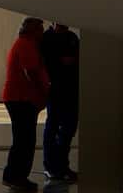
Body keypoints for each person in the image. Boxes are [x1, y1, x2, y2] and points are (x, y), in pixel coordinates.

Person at [2, 18, 49, 191]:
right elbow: (31, 72)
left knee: (23, 140)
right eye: (40, 29)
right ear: (33, 30)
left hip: (21, 98)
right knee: (24, 141)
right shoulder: (26, 45)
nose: (42, 33)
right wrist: (42, 92)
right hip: (21, 98)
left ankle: (15, 176)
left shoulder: (25, 44)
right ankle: (16, 177)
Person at [40, 23, 81, 182]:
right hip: (55, 90)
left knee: (69, 128)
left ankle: (62, 165)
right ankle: (50, 166)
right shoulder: (47, 38)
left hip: (71, 90)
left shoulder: (72, 38)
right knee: (53, 127)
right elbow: (44, 62)